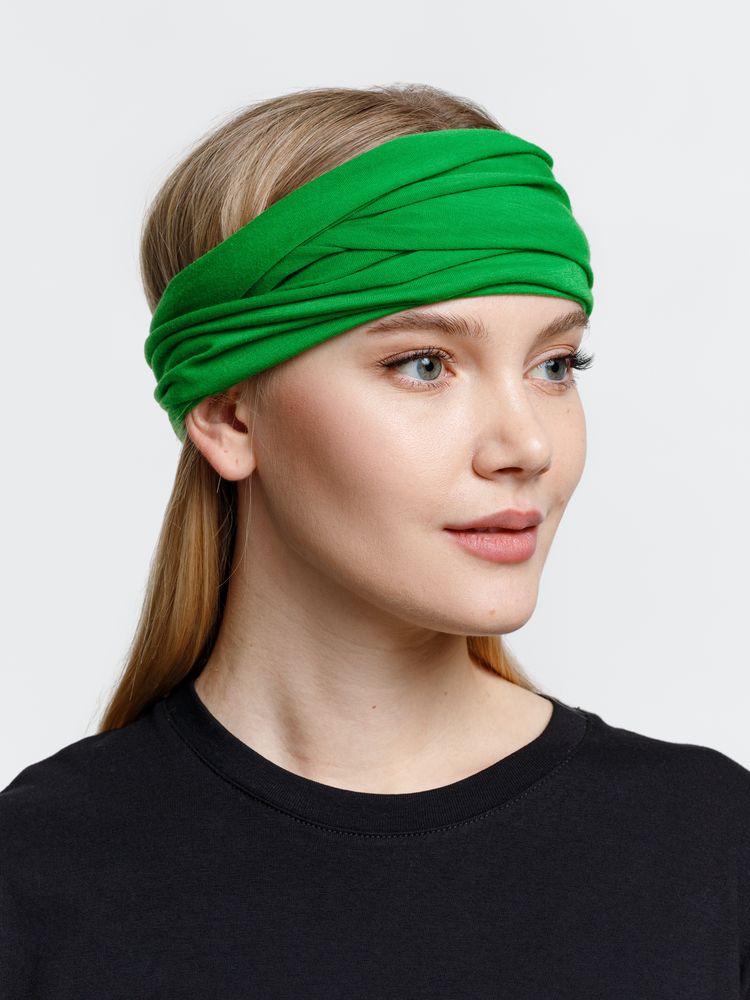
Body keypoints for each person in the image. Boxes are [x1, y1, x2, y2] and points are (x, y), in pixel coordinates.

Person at [1, 83, 748, 998]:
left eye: (556, 365)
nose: (528, 445)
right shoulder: (35, 875)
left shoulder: (712, 848)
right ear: (229, 416)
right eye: (424, 364)